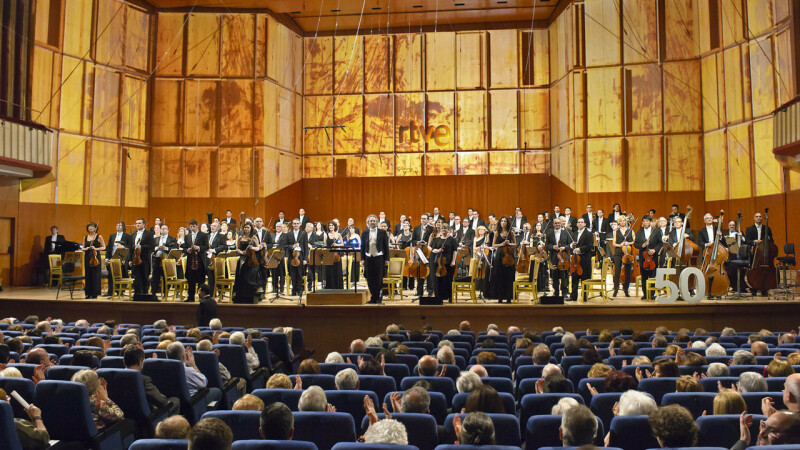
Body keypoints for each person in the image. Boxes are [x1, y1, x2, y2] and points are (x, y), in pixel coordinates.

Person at [123, 345, 180, 415]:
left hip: (125, 416)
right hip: (148, 418)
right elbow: (162, 402)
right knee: (175, 400)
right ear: (140, 361)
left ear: (124, 361)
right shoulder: (143, 380)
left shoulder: (116, 377)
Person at [361, 214, 390, 304]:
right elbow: (362, 247)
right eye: (371, 221)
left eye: (374, 221)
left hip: (379, 257)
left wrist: (387, 259)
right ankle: (373, 297)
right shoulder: (365, 232)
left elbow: (386, 246)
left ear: (376, 222)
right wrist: (362, 259)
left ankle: (378, 298)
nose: (372, 222)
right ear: (368, 222)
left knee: (378, 279)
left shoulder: (382, 232)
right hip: (368, 257)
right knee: (370, 279)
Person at [232, 223, 262, 304]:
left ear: (251, 228)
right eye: (245, 227)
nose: (246, 229)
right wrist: (242, 252)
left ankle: (251, 295)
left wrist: (252, 248)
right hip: (243, 258)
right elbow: (237, 248)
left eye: (248, 227)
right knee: (242, 277)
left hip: (251, 259)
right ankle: (242, 296)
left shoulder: (254, 237)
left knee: (251, 277)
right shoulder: (240, 237)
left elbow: (258, 248)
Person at [634, 215, 661, 299]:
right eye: (644, 221)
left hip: (653, 257)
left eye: (647, 221)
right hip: (643, 257)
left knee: (653, 275)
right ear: (642, 222)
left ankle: (652, 294)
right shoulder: (639, 232)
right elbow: (635, 244)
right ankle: (645, 294)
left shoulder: (656, 231)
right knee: (644, 276)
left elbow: (660, 243)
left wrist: (655, 250)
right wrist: (641, 245)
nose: (645, 223)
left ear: (650, 222)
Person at [182, 220, 209, 302]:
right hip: (191, 261)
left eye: (194, 226)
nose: (192, 228)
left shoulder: (203, 235)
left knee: (201, 280)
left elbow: (206, 247)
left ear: (197, 226)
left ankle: (202, 297)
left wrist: (198, 248)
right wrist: (187, 250)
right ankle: (190, 297)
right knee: (191, 280)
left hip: (200, 260)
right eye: (191, 227)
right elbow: (184, 248)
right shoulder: (187, 236)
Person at [491, 216, 516, 303]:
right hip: (500, 256)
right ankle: (500, 297)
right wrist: (502, 244)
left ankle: (509, 297)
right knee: (500, 277)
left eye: (505, 221)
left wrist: (509, 243)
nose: (503, 223)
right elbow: (494, 245)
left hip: (509, 256)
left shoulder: (511, 232)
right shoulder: (497, 233)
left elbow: (515, 244)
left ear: (507, 223)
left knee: (509, 278)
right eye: (502, 221)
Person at [568, 218, 593, 302]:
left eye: (582, 222)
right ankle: (573, 296)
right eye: (579, 222)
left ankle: (585, 297)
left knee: (584, 278)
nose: (580, 224)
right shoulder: (574, 234)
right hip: (575, 259)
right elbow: (572, 246)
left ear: (585, 224)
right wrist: (572, 245)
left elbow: (589, 245)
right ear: (577, 224)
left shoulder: (588, 234)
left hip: (584, 259)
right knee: (574, 277)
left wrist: (580, 249)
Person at [105, 221, 132, 296]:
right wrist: (107, 258)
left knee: (122, 274)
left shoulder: (127, 236)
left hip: (122, 258)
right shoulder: (112, 235)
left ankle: (120, 291)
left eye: (120, 225)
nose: (118, 226)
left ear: (123, 227)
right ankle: (110, 292)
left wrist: (122, 247)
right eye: (117, 225)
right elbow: (109, 248)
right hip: (113, 258)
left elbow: (129, 247)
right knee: (111, 275)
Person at [129, 218, 155, 295]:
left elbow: (151, 246)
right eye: (137, 223)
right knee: (136, 277)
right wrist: (130, 260)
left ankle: (145, 293)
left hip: (144, 259)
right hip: (135, 259)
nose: (137, 225)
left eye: (139, 223)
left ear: (144, 224)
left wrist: (140, 246)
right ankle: (137, 294)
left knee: (144, 276)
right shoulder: (132, 234)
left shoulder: (149, 234)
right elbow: (130, 248)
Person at [546, 217, 570, 298]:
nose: (557, 224)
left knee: (564, 276)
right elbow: (546, 246)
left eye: (559, 223)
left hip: (563, 257)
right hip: (554, 257)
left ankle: (564, 292)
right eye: (556, 223)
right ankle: (556, 292)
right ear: (553, 224)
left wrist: (564, 247)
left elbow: (569, 245)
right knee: (554, 275)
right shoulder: (549, 233)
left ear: (561, 224)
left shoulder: (565, 233)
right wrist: (552, 247)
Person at [81, 222, 106, 299]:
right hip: (87, 257)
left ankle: (95, 293)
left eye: (92, 226)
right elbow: (82, 248)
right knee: (88, 274)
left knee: (95, 275)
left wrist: (95, 248)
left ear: (95, 228)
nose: (90, 228)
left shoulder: (99, 236)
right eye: (89, 226)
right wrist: (86, 248)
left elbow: (104, 247)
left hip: (95, 257)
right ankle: (88, 293)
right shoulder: (85, 237)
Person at [611, 216, 634, 297]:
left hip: (628, 253)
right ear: (618, 223)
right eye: (620, 221)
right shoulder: (616, 232)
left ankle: (626, 289)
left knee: (628, 272)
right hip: (618, 253)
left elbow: (634, 241)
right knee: (617, 271)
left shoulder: (630, 231)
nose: (622, 222)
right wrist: (619, 245)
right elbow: (613, 243)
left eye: (624, 220)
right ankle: (616, 289)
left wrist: (628, 243)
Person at [286, 218, 308, 297]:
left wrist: (305, 259)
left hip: (300, 256)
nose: (296, 225)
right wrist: (292, 246)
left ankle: (299, 290)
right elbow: (285, 245)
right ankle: (293, 290)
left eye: (297, 223)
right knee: (293, 274)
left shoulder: (303, 233)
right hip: (292, 256)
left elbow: (306, 247)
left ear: (300, 224)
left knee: (299, 273)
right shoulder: (288, 234)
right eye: (294, 223)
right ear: (292, 224)